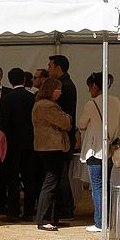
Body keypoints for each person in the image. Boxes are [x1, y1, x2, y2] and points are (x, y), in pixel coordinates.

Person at [78, 73, 120, 232]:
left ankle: (100, 222)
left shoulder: (91, 104)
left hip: (94, 149)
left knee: (97, 187)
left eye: (89, 87)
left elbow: (81, 124)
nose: (89, 91)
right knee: (106, 186)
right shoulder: (116, 101)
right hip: (110, 148)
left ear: (94, 86)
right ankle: (107, 220)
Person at [30, 79, 72, 231]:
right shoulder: (47, 106)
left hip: (46, 148)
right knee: (50, 182)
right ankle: (44, 219)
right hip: (51, 148)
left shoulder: (41, 104)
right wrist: (67, 116)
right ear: (50, 90)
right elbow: (65, 123)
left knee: (53, 183)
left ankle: (52, 218)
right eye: (58, 89)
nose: (60, 92)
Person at [0, 68, 36, 222]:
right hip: (29, 143)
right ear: (24, 80)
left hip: (12, 144)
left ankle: (13, 211)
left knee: (12, 179)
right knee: (28, 179)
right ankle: (28, 211)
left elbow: (3, 124)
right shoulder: (31, 97)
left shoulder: (7, 98)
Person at [49, 55, 79, 221]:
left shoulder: (65, 86)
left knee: (60, 175)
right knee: (60, 174)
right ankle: (65, 208)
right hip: (64, 135)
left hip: (63, 137)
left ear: (58, 67)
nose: (48, 68)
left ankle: (66, 208)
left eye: (50, 65)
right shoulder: (67, 83)